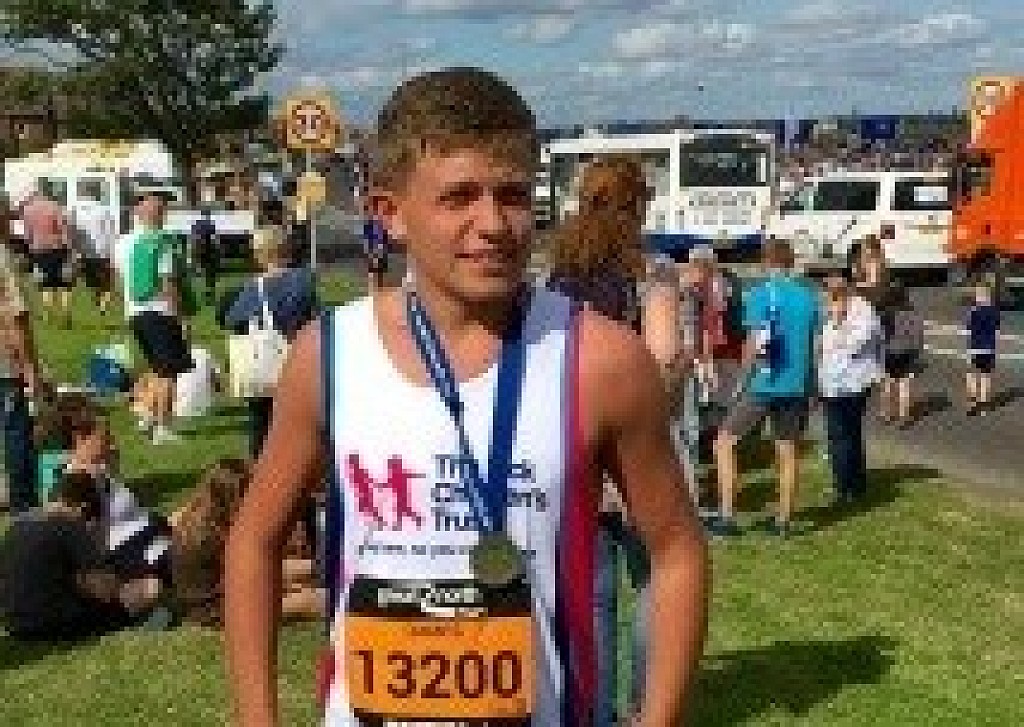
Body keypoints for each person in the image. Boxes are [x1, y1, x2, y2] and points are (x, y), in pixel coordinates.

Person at [224, 67, 707, 727]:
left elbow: (677, 548)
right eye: (459, 198)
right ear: (390, 213)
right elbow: (254, 539)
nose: (494, 224)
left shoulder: (602, 361)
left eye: (512, 195)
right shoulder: (328, 355)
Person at [546, 155, 654, 724]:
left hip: (570, 442)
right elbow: (662, 360)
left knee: (593, 592)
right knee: (657, 576)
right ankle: (643, 707)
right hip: (629, 444)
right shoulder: (637, 278)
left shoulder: (558, 280)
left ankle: (595, 712)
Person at [712, 239, 820, 537]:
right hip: (796, 384)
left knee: (724, 442)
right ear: (790, 262)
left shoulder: (759, 295)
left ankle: (727, 515)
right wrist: (813, 385)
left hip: (763, 383)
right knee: (787, 450)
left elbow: (753, 344)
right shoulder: (808, 297)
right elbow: (815, 346)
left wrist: (740, 382)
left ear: (766, 262)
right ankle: (783, 520)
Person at [171, 458, 323, 627]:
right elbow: (253, 573)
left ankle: (327, 571)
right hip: (220, 609)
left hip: (231, 590)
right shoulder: (211, 533)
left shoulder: (203, 516)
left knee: (300, 583)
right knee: (310, 600)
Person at [0, 470, 146, 641]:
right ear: (83, 508)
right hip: (57, 624)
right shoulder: (71, 527)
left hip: (14, 625)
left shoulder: (17, 525)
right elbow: (104, 592)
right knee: (148, 587)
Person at [221, 216, 319, 457]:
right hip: (295, 358)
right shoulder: (302, 280)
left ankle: (259, 467)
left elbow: (231, 320)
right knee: (300, 423)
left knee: (260, 422)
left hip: (261, 366)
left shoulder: (252, 288)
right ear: (286, 248)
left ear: (259, 255)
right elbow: (314, 318)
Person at [118, 193, 194, 444]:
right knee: (169, 372)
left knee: (155, 368)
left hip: (135, 312)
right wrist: (181, 317)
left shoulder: (125, 243)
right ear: (162, 215)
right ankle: (163, 426)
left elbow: (120, 278)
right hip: (161, 312)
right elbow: (168, 282)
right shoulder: (164, 243)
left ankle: (148, 415)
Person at [818, 276, 883, 506]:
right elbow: (822, 345)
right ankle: (853, 484)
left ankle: (845, 486)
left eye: (831, 294)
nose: (827, 299)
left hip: (853, 382)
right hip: (832, 382)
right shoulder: (827, 312)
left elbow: (857, 344)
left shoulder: (863, 310)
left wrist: (838, 323)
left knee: (843, 434)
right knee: (845, 434)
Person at [0, 241, 41, 513]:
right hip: (6, 364)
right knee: (17, 434)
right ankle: (22, 502)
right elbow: (15, 315)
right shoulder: (2, 255)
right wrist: (30, 367)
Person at [20, 186, 74, 327]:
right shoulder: (55, 207)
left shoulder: (28, 211)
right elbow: (63, 229)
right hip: (58, 248)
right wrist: (69, 248)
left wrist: (30, 250)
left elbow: (27, 235)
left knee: (46, 285)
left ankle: (48, 315)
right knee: (64, 285)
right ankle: (65, 314)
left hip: (39, 250)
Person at [878, 285, 924, 427]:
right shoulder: (913, 315)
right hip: (908, 352)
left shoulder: (885, 315)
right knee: (905, 384)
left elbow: (879, 336)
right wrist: (917, 353)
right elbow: (918, 336)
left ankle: (887, 413)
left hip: (889, 352)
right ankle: (903, 416)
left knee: (888, 383)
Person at [75, 205, 118, 315]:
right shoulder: (104, 212)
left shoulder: (79, 213)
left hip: (92, 253)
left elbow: (76, 234)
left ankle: (101, 304)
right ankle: (101, 304)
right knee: (102, 282)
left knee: (97, 282)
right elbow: (111, 233)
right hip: (99, 252)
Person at [966, 282, 1000, 416]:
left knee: (972, 373)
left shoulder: (974, 311)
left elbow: (969, 328)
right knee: (986, 376)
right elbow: (996, 329)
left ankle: (973, 400)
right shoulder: (994, 312)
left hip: (975, 347)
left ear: (978, 297)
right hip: (989, 348)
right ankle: (984, 406)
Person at [191, 209, 219, 304]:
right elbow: (214, 238)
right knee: (210, 272)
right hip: (207, 249)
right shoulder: (210, 224)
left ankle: (204, 292)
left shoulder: (196, 224)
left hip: (199, 249)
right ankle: (209, 292)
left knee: (201, 271)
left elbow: (193, 237)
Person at [362, 212, 391, 292]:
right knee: (374, 266)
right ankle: (374, 284)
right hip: (374, 247)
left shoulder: (378, 225)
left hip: (379, 246)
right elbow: (367, 238)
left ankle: (379, 284)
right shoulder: (369, 226)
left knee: (380, 266)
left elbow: (384, 236)